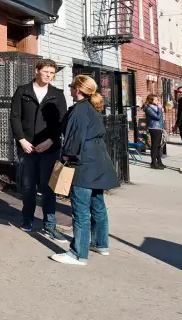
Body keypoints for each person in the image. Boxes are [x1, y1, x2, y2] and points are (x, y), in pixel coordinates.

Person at [50, 75, 120, 265]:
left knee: (80, 209)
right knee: (98, 205)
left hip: (83, 162)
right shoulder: (91, 108)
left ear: (78, 89)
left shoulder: (80, 110)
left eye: (72, 86)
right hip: (98, 162)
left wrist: (67, 156)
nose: (71, 88)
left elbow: (75, 137)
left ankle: (78, 254)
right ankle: (100, 244)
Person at [9, 59, 68, 241]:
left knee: (49, 187)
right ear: (37, 71)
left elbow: (62, 121)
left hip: (50, 148)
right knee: (28, 186)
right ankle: (27, 219)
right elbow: (15, 117)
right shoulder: (23, 91)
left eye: (52, 73)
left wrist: (51, 141)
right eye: (46, 71)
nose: (49, 75)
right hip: (28, 147)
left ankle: (50, 225)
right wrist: (21, 140)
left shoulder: (58, 94)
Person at [143, 94, 165, 169]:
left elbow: (161, 118)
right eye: (155, 100)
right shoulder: (148, 108)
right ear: (151, 100)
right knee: (155, 145)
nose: (157, 101)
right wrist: (159, 109)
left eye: (157, 99)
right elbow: (157, 117)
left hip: (159, 128)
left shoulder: (156, 107)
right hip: (153, 128)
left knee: (159, 145)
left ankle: (159, 161)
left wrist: (162, 127)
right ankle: (153, 162)